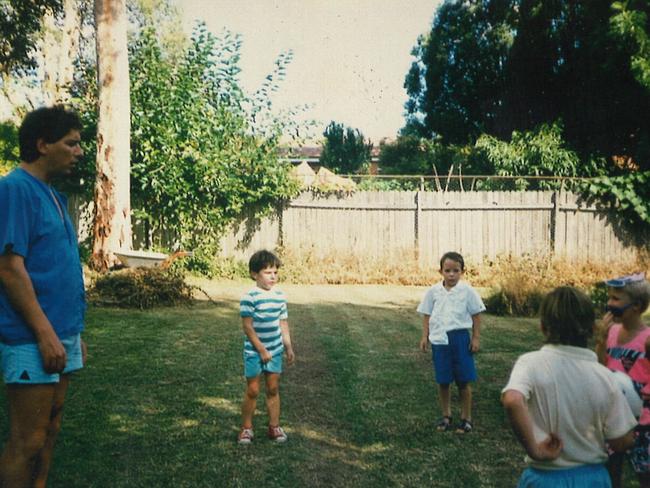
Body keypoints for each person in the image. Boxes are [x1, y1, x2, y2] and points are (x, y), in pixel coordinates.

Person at [0, 106, 87, 487]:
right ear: (42, 144)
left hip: (62, 334)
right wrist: (46, 334)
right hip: (31, 337)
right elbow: (8, 268)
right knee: (27, 440)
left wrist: (71, 332)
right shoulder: (15, 189)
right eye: (71, 143)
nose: (79, 151)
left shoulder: (53, 195)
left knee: (49, 431)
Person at [503, 286, 636, 488]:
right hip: (591, 480)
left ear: (542, 327)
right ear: (593, 329)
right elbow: (621, 441)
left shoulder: (529, 363)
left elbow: (512, 399)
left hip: (543, 478)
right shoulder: (605, 376)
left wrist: (534, 450)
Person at [417, 251, 485, 433]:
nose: (451, 274)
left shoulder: (467, 292)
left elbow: (476, 315)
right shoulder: (433, 292)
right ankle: (446, 416)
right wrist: (425, 336)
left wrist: (475, 338)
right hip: (440, 340)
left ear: (462, 271)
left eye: (456, 270)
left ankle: (466, 418)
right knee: (443, 380)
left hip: (460, 340)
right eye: (447, 270)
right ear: (441, 271)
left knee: (463, 381)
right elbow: (426, 314)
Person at [595, 273, 650, 488]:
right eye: (609, 298)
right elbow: (600, 370)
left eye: (616, 299)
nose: (609, 304)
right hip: (614, 417)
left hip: (643, 422)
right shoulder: (612, 332)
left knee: (645, 475)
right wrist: (600, 341)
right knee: (610, 472)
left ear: (636, 307)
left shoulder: (646, 339)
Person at [238, 250, 295, 444]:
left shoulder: (280, 296)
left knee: (273, 388)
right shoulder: (249, 297)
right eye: (267, 272)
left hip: (275, 350)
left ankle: (274, 426)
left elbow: (283, 323)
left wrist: (288, 346)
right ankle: (246, 428)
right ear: (255, 274)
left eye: (275, 272)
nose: (273, 276)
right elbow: (247, 326)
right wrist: (261, 350)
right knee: (252, 390)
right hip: (255, 352)